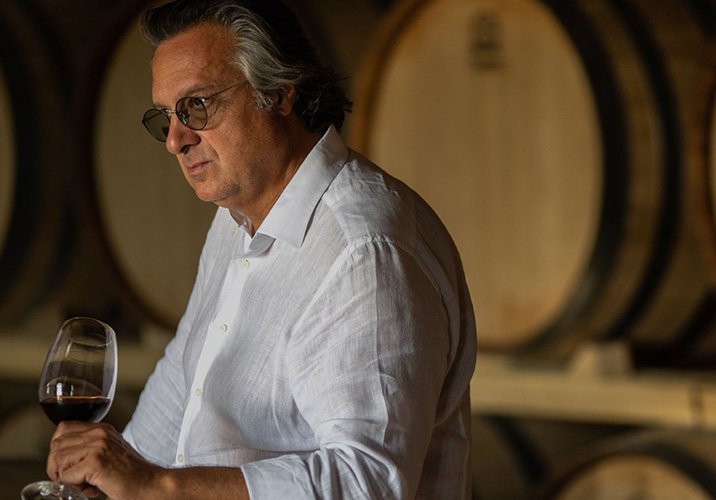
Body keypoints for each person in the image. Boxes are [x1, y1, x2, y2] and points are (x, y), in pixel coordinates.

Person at [45, 0, 477, 498]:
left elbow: (368, 481)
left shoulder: (365, 253)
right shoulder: (236, 216)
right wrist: (109, 482)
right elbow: (184, 382)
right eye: (166, 116)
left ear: (278, 93)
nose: (175, 140)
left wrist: (157, 485)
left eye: (197, 105)